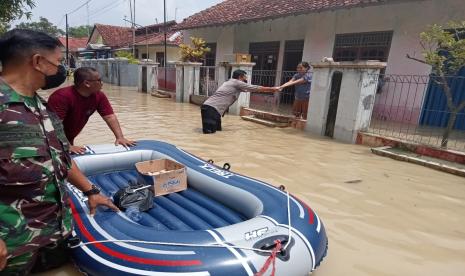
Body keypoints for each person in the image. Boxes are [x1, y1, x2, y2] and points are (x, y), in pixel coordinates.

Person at [0, 29, 119, 275]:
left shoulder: (40, 105)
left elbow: (60, 158)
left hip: (52, 235)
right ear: (37, 62)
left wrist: (91, 191)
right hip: (10, 243)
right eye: (58, 62)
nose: (61, 69)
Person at [48, 67, 136, 154]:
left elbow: (109, 117)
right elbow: (54, 125)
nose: (102, 83)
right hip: (49, 141)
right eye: (99, 80)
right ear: (87, 83)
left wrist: (120, 137)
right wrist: (66, 145)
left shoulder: (99, 96)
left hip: (67, 140)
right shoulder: (62, 97)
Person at [201, 69, 280, 134]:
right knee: (209, 134)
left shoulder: (229, 82)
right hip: (212, 109)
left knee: (217, 132)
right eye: (245, 77)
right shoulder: (237, 83)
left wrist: (272, 90)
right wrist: (273, 89)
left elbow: (253, 90)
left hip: (213, 109)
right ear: (240, 77)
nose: (246, 79)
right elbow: (255, 88)